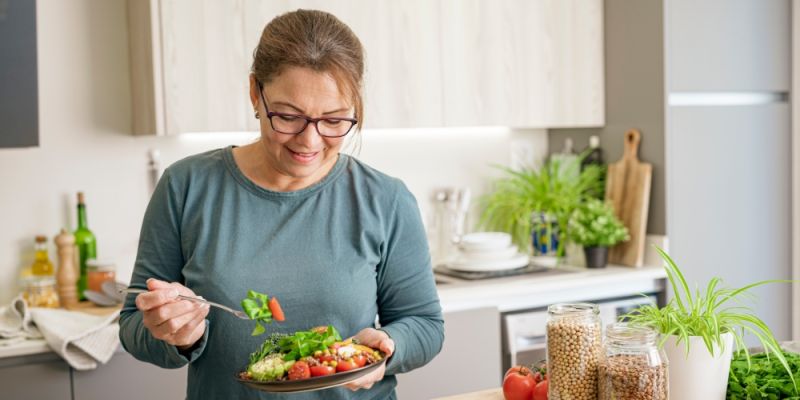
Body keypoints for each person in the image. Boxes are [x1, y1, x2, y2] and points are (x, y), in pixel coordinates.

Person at [119, 9, 444, 400]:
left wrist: (389, 345)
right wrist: (176, 336)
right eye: (288, 117)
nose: (309, 141)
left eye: (334, 120)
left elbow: (425, 324)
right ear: (256, 93)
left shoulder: (386, 199)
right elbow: (133, 326)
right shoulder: (185, 186)